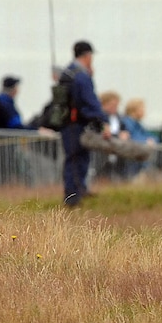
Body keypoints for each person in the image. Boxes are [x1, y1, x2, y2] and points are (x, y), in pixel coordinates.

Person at [60, 40, 109, 206]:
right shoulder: (81, 75)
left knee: (78, 158)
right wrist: (104, 121)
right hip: (76, 124)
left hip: (69, 123)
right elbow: (91, 100)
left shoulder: (67, 72)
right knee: (76, 159)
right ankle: (73, 197)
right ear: (88, 56)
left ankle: (78, 190)